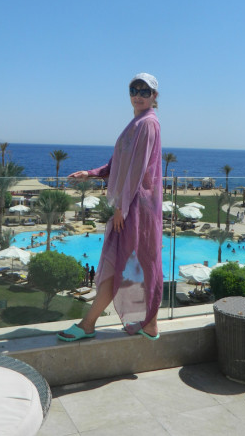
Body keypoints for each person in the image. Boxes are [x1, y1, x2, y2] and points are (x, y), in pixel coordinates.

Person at [58, 73, 163, 342]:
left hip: (135, 208)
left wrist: (121, 208)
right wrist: (91, 173)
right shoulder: (138, 122)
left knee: (119, 264)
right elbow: (118, 163)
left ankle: (89, 324)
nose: (138, 95)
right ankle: (148, 324)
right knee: (135, 263)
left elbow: (136, 170)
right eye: (134, 89)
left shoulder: (148, 123)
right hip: (133, 206)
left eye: (145, 91)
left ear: (154, 96)